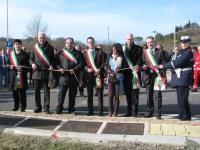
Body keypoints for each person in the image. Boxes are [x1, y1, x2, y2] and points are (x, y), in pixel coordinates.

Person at [159, 35, 193, 121]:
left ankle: (185, 116)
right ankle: (183, 114)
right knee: (181, 98)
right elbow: (173, 60)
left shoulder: (188, 52)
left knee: (182, 98)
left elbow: (178, 62)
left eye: (186, 42)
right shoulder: (181, 52)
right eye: (183, 43)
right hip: (180, 78)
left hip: (183, 77)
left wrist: (164, 66)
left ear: (189, 43)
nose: (184, 44)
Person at [55, 37, 83, 114]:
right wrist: (60, 68)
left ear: (73, 44)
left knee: (72, 95)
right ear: (65, 44)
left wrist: (74, 69)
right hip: (63, 77)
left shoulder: (78, 53)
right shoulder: (60, 53)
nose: (69, 44)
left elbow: (81, 64)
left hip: (73, 77)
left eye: (70, 43)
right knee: (61, 94)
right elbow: (56, 63)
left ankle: (71, 109)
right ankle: (59, 109)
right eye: (67, 43)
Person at [142, 36, 167, 119]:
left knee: (157, 96)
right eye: (148, 42)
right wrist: (143, 66)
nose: (150, 44)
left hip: (157, 77)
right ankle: (149, 111)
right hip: (148, 76)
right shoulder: (145, 53)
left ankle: (158, 113)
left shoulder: (160, 52)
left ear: (154, 42)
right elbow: (142, 63)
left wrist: (161, 67)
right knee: (149, 96)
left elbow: (164, 63)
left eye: (151, 42)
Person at [30, 32, 55, 114]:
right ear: (38, 38)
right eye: (40, 38)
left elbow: (53, 60)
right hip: (36, 73)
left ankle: (46, 107)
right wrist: (32, 64)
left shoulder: (50, 48)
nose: (41, 39)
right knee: (37, 91)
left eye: (43, 38)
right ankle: (38, 106)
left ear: (45, 38)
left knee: (46, 92)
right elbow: (30, 59)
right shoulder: (34, 48)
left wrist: (52, 65)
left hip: (46, 73)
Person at [84, 37, 107, 116]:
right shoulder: (85, 53)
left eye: (92, 42)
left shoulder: (100, 52)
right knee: (89, 95)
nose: (90, 43)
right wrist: (87, 69)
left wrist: (99, 69)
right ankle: (90, 111)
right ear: (87, 43)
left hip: (98, 76)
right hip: (89, 76)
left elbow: (104, 63)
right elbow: (83, 65)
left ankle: (100, 111)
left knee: (100, 94)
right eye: (89, 42)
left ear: (94, 42)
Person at [122, 33, 143, 117]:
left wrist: (138, 65)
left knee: (135, 95)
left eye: (131, 39)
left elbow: (141, 59)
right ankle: (129, 111)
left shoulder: (139, 49)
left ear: (133, 39)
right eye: (128, 39)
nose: (129, 41)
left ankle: (134, 112)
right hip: (126, 75)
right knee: (128, 94)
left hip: (135, 74)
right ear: (126, 39)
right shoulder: (123, 49)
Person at [8, 39, 29, 112]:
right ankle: (16, 106)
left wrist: (22, 68)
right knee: (15, 92)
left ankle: (23, 107)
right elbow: (7, 63)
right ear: (14, 45)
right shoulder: (11, 54)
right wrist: (9, 66)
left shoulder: (25, 54)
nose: (17, 46)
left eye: (18, 44)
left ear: (21, 45)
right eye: (16, 44)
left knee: (22, 92)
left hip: (22, 76)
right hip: (13, 76)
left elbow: (28, 66)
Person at [106, 43, 126, 117]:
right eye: (113, 49)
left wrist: (119, 70)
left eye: (115, 49)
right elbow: (105, 66)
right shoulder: (109, 56)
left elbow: (125, 68)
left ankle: (115, 112)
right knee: (110, 95)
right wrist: (108, 70)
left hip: (119, 79)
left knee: (118, 96)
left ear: (118, 49)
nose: (113, 50)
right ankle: (110, 111)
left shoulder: (122, 57)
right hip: (111, 78)